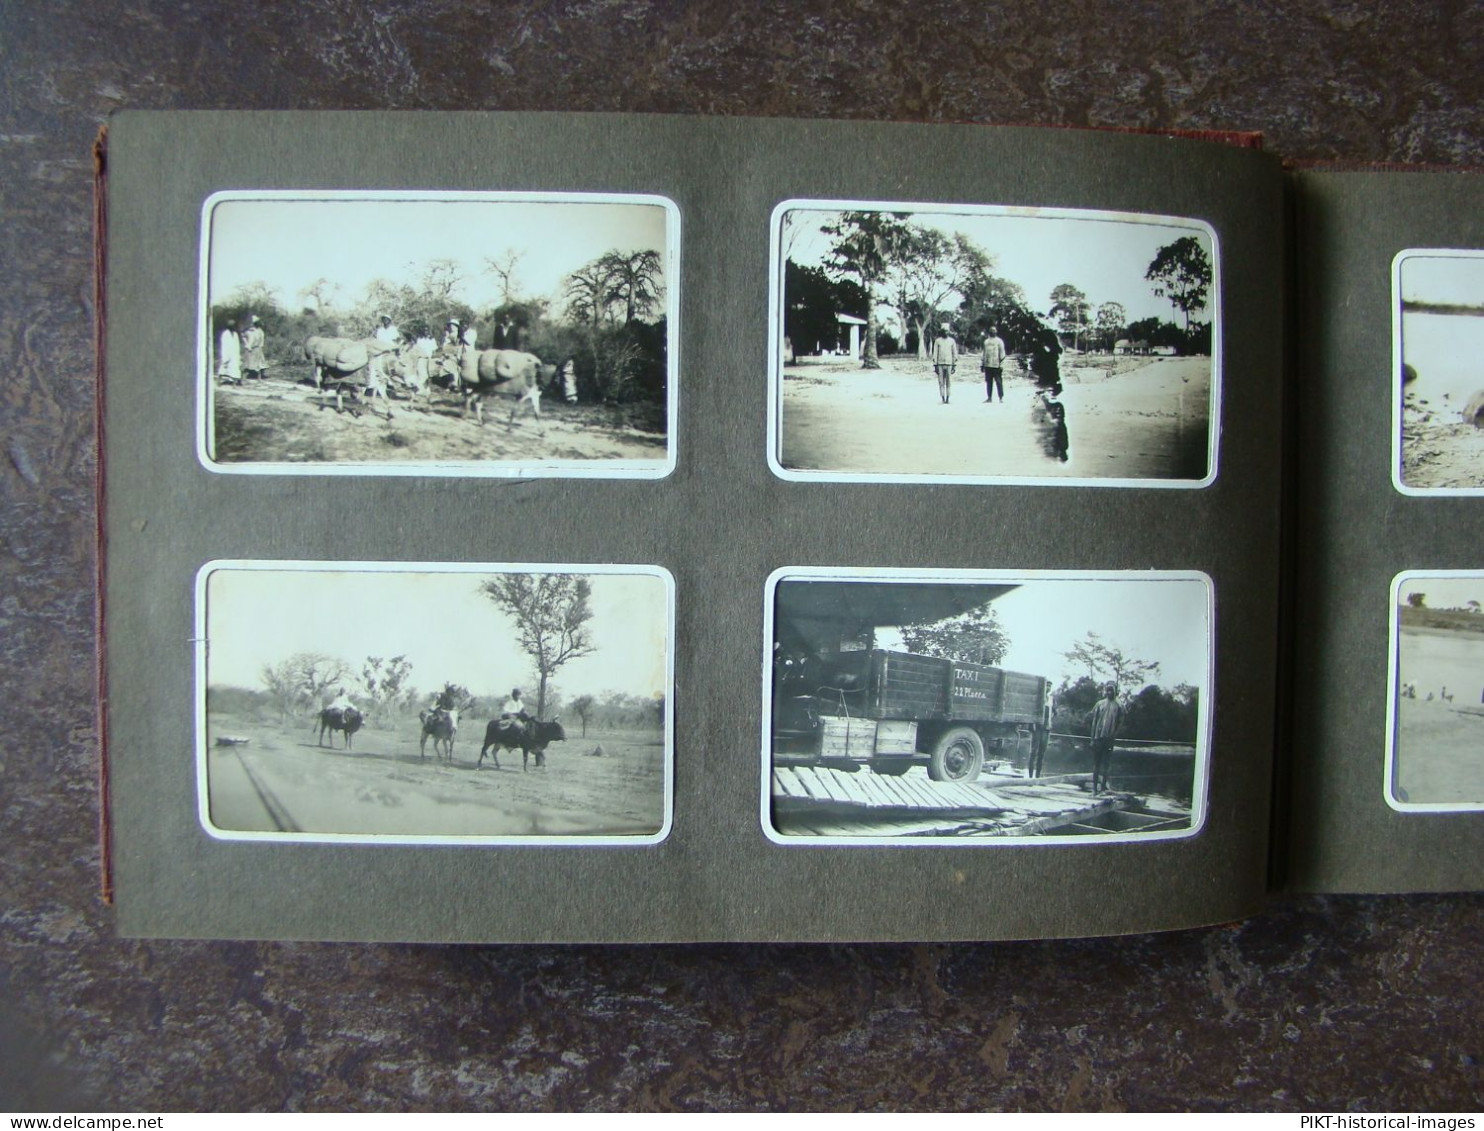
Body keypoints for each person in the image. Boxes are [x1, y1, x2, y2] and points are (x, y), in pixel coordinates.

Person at [1086, 684, 1122, 795]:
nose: (1110, 693)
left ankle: (1103, 789)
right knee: (1096, 764)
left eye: (1112, 691)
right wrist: (1092, 738)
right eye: (1108, 690)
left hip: (1109, 739)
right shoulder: (1099, 704)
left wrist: (1114, 735)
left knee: (1106, 764)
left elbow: (1120, 722)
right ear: (1105, 692)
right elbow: (1094, 721)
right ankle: (1094, 789)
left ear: (1115, 692)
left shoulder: (1118, 705)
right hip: (1098, 737)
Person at [930, 321, 958, 404]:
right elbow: (935, 353)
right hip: (940, 364)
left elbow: (954, 353)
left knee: (948, 382)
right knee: (941, 382)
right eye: (944, 331)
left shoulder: (952, 341)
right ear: (941, 331)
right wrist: (935, 365)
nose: (945, 332)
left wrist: (954, 365)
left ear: (949, 332)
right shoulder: (938, 341)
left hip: (949, 364)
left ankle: (948, 398)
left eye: (947, 331)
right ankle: (942, 398)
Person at [981, 324, 1007, 403]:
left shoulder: (999, 341)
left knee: (999, 382)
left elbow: (1002, 353)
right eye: (991, 330)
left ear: (996, 332)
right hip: (988, 365)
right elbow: (984, 354)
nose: (993, 332)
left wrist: (1001, 365)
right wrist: (982, 365)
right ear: (989, 332)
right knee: (988, 382)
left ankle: (1001, 397)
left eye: (994, 330)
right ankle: (989, 397)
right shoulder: (986, 342)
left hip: (997, 365)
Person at [240, 314, 267, 380]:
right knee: (248, 363)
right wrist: (247, 345)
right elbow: (244, 336)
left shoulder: (260, 331)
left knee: (259, 364)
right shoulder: (250, 331)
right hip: (251, 349)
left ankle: (259, 377)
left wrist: (260, 347)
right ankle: (244, 376)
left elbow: (261, 340)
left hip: (258, 348)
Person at [216, 318, 241, 385]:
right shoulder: (225, 334)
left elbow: (237, 344)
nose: (234, 327)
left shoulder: (235, 334)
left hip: (234, 354)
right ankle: (219, 381)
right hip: (227, 353)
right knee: (223, 368)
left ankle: (234, 383)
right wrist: (225, 356)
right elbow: (224, 345)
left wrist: (238, 354)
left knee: (234, 368)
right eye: (233, 326)